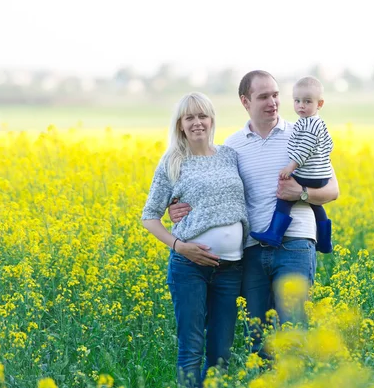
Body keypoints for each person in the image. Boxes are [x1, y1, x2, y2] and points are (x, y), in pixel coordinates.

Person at [169, 71, 339, 355]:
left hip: (295, 242)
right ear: (245, 101)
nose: (273, 102)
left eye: (275, 95)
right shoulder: (232, 146)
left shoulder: (302, 132)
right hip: (251, 249)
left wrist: (300, 194)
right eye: (264, 97)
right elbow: (214, 190)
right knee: (257, 337)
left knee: (293, 331)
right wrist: (178, 205)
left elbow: (332, 190)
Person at [141, 92, 248, 388]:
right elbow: (150, 216)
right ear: (180, 125)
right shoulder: (173, 161)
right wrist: (180, 247)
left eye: (202, 116)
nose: (197, 122)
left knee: (221, 353)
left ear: (212, 120)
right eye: (190, 117)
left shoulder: (230, 155)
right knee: (190, 349)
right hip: (189, 267)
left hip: (230, 268)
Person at [249, 76, 334, 253]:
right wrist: (321, 158)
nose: (301, 106)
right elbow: (329, 144)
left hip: (309, 175)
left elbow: (304, 148)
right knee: (316, 205)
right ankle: (325, 241)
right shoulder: (316, 123)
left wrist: (291, 167)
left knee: (284, 197)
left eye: (307, 102)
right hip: (319, 174)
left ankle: (274, 233)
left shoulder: (309, 124)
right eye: (297, 101)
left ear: (319, 104)